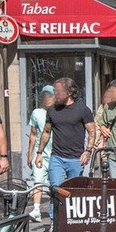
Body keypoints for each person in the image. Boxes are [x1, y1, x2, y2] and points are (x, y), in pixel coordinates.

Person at [36, 77, 96, 220]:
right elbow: (46, 132)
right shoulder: (52, 110)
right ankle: (55, 222)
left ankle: (73, 221)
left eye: (58, 91)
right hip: (57, 157)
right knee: (56, 189)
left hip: (76, 158)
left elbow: (92, 131)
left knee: (74, 191)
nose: (55, 94)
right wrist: (39, 153)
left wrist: (88, 151)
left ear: (69, 92)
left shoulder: (83, 110)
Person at [26, 85, 55, 221]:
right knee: (38, 180)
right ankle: (36, 209)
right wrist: (30, 153)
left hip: (55, 153)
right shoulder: (36, 113)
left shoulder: (58, 112)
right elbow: (33, 134)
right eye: (44, 95)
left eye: (49, 95)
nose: (46, 98)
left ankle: (54, 210)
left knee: (54, 183)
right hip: (40, 154)